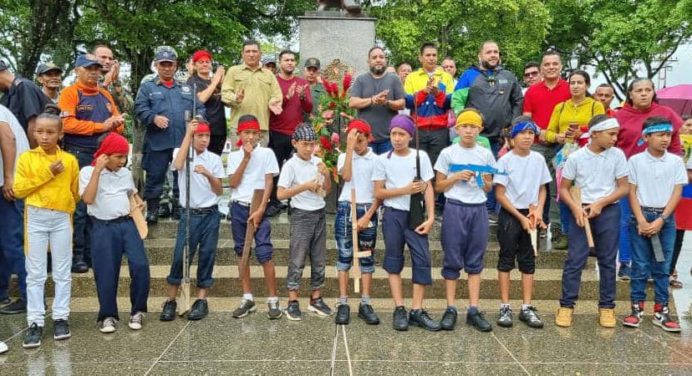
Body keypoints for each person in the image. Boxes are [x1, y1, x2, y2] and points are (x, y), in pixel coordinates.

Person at [14, 104, 80, 348]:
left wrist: (65, 205)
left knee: (63, 271)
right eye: (40, 131)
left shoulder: (70, 160)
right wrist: (47, 174)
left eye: (50, 132)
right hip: (36, 216)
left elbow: (76, 192)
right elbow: (19, 189)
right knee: (36, 273)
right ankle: (35, 322)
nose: (44, 137)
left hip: (62, 217)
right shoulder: (27, 159)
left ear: (60, 134)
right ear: (33, 132)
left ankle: (61, 317)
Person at [556, 115, 629, 328]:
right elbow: (564, 188)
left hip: (607, 210)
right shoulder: (576, 157)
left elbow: (623, 187)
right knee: (575, 259)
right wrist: (576, 207)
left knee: (607, 260)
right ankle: (566, 306)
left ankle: (607, 307)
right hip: (580, 210)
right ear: (595, 133)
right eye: (611, 134)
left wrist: (601, 203)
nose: (615, 138)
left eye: (617, 134)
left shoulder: (617, 155)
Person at [59, 54, 125, 273]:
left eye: (97, 68)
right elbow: (66, 124)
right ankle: (78, 255)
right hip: (78, 153)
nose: (94, 72)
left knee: (100, 203)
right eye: (89, 68)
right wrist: (101, 126)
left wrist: (117, 124)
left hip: (103, 154)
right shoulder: (69, 93)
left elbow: (116, 123)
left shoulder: (105, 95)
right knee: (80, 206)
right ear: (77, 70)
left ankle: (94, 253)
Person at [373, 115, 438, 331]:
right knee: (393, 259)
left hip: (415, 214)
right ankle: (399, 307)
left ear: (410, 136)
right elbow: (379, 191)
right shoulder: (382, 159)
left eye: (402, 134)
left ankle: (417, 309)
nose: (397, 138)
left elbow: (427, 187)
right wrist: (405, 189)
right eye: (393, 134)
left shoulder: (421, 156)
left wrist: (430, 217)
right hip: (393, 214)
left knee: (422, 258)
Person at [79, 132, 150, 333]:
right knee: (106, 271)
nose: (123, 160)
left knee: (140, 265)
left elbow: (130, 192)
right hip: (102, 227)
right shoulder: (87, 172)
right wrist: (97, 172)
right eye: (118, 156)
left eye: (124, 156)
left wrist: (138, 202)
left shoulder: (125, 173)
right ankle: (108, 315)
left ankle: (138, 310)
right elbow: (88, 199)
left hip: (127, 224)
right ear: (105, 155)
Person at [433, 109, 496, 332]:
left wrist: (482, 181)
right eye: (465, 126)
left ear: (480, 130)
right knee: (451, 258)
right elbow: (438, 186)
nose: (469, 131)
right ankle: (450, 307)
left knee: (475, 259)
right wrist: (456, 177)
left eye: (473, 127)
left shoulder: (485, 154)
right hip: (455, 208)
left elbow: (489, 186)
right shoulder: (448, 153)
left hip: (478, 209)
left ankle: (473, 308)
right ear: (457, 129)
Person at [614, 78, 683, 281]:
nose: (644, 94)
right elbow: (612, 144)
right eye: (639, 90)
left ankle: (656, 266)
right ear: (630, 94)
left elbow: (675, 145)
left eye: (648, 90)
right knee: (627, 220)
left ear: (654, 92)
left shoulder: (667, 114)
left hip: (660, 178)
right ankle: (626, 263)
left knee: (659, 220)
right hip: (628, 177)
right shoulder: (620, 116)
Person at [622, 117, 686, 332]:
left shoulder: (676, 161)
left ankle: (661, 310)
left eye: (668, 135)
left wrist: (661, 219)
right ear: (646, 137)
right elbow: (631, 191)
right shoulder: (636, 161)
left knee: (663, 266)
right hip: (640, 215)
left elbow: (677, 192)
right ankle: (636, 309)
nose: (665, 139)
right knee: (639, 265)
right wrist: (641, 219)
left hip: (665, 218)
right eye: (660, 135)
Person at [160, 120, 224, 322]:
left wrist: (208, 173)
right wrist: (188, 133)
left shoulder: (213, 159)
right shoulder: (182, 152)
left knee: (207, 255)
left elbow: (219, 190)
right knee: (180, 255)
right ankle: (171, 300)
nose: (204, 140)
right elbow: (176, 166)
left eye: (207, 136)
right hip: (190, 213)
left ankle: (201, 299)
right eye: (200, 136)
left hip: (210, 213)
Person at [452, 41, 523, 221]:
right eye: (489, 52)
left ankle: (499, 210)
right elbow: (457, 101)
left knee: (502, 173)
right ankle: (483, 209)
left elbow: (518, 102)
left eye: (496, 52)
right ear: (480, 55)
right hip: (478, 137)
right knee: (481, 172)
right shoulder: (469, 76)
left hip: (502, 137)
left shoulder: (508, 76)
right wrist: (466, 122)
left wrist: (512, 127)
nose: (493, 55)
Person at [493, 118, 550, 329]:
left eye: (531, 133)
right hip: (511, 214)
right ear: (512, 137)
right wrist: (521, 217)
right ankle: (505, 306)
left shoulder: (538, 159)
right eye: (522, 133)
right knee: (506, 258)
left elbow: (543, 188)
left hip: (532, 212)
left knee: (528, 260)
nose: (527, 137)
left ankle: (526, 306)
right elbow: (500, 194)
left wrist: (538, 210)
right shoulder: (505, 161)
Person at [135, 46, 199, 224]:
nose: (166, 68)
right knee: (155, 176)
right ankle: (153, 209)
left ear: (176, 66)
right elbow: (139, 108)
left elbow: (199, 108)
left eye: (170, 64)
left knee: (182, 176)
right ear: (156, 65)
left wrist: (198, 121)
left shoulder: (186, 88)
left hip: (181, 141)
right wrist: (153, 117)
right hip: (157, 141)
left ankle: (179, 207)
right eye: (162, 64)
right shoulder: (147, 87)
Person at [226, 115, 282, 320]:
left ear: (259, 134)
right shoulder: (234, 155)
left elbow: (269, 183)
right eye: (246, 133)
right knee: (242, 252)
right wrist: (246, 158)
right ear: (239, 134)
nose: (250, 137)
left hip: (259, 206)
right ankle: (247, 297)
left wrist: (261, 208)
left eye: (254, 133)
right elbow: (233, 182)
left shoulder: (267, 153)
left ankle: (273, 298)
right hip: (239, 206)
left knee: (265, 252)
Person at [277, 123, 333, 320]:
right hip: (301, 214)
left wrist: (326, 175)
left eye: (312, 144)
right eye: (305, 144)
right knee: (297, 259)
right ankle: (292, 300)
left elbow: (327, 190)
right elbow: (281, 193)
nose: (309, 149)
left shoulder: (317, 162)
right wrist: (304, 187)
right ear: (295, 143)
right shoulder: (290, 165)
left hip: (319, 212)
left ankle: (316, 298)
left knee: (319, 259)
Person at [545, 70, 605, 250]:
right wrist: (559, 137)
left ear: (587, 85)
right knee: (562, 194)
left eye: (580, 82)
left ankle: (590, 234)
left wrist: (583, 131)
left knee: (588, 193)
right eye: (572, 83)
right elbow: (548, 133)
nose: (576, 86)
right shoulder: (561, 106)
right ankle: (564, 232)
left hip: (589, 154)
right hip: (565, 153)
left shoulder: (595, 105)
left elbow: (601, 127)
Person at [334, 120, 381, 325]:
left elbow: (379, 193)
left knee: (366, 256)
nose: (358, 144)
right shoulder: (345, 156)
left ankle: (365, 302)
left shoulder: (377, 160)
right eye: (355, 140)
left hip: (367, 209)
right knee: (344, 255)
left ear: (369, 138)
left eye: (361, 140)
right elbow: (346, 176)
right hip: (347, 207)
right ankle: (343, 302)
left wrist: (368, 215)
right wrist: (349, 148)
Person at [523, 50, 571, 240]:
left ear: (561, 66)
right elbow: (527, 118)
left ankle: (558, 228)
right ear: (542, 68)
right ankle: (536, 222)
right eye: (547, 64)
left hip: (563, 146)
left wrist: (560, 136)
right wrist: (541, 132)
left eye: (554, 64)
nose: (551, 67)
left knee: (558, 187)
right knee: (535, 184)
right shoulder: (532, 91)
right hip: (537, 143)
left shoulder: (570, 88)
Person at [266, 50, 313, 217]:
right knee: (276, 169)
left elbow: (309, 108)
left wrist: (301, 97)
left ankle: (295, 202)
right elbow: (271, 109)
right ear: (280, 63)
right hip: (277, 131)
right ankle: (274, 201)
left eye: (293, 60)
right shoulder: (273, 82)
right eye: (286, 60)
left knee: (297, 170)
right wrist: (286, 97)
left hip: (296, 134)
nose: (290, 63)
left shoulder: (302, 82)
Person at [221, 40, 282, 146]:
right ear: (242, 54)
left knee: (260, 161)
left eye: (254, 51)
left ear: (260, 54)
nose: (251, 54)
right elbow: (225, 94)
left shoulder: (269, 74)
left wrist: (272, 102)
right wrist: (235, 98)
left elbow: (277, 95)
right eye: (248, 51)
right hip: (239, 128)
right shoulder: (233, 71)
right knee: (239, 161)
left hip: (261, 128)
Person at [404, 42, 454, 170]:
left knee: (438, 167)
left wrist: (437, 94)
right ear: (420, 57)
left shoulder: (446, 77)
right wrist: (424, 92)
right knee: (418, 167)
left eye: (434, 55)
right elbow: (408, 102)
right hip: (418, 129)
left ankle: (437, 190)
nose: (431, 58)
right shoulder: (412, 77)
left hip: (440, 130)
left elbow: (450, 103)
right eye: (428, 55)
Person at [0, 105, 30, 315]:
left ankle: (31, 297)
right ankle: (2, 293)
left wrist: (9, 178)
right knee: (5, 242)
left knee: (12, 242)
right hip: (7, 183)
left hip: (8, 185)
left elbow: (8, 138)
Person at [349, 46, 406, 155]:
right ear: (368, 61)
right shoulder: (361, 80)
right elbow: (352, 102)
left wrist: (386, 102)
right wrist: (372, 100)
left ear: (386, 60)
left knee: (388, 171)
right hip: (365, 138)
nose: (378, 60)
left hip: (390, 138)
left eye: (381, 57)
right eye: (374, 57)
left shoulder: (394, 79)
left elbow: (402, 104)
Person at [0, 60, 50, 146]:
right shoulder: (7, 95)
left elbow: (34, 123)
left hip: (36, 151)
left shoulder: (24, 86)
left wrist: (32, 155)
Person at [188, 50, 226, 156]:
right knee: (201, 162)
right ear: (195, 66)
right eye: (201, 62)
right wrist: (216, 81)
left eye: (207, 62)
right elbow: (201, 99)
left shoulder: (216, 81)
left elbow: (226, 100)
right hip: (202, 130)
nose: (205, 64)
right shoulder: (192, 81)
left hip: (219, 130)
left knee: (215, 162)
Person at [92, 44, 134, 115]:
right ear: (93, 59)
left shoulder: (115, 82)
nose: (107, 61)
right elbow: (91, 106)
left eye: (110, 59)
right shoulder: (86, 79)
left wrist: (116, 81)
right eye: (103, 57)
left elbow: (129, 109)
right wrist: (105, 84)